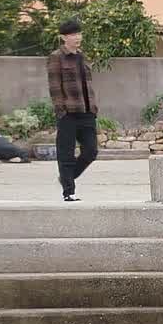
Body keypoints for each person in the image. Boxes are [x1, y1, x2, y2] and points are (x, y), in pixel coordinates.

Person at [47, 18, 99, 202]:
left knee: (91, 151)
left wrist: (93, 108)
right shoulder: (56, 57)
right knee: (66, 154)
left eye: (78, 34)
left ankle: (66, 178)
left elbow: (88, 84)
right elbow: (54, 87)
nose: (77, 38)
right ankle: (69, 191)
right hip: (68, 112)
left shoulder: (83, 56)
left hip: (87, 111)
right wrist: (61, 110)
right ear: (63, 38)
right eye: (72, 35)